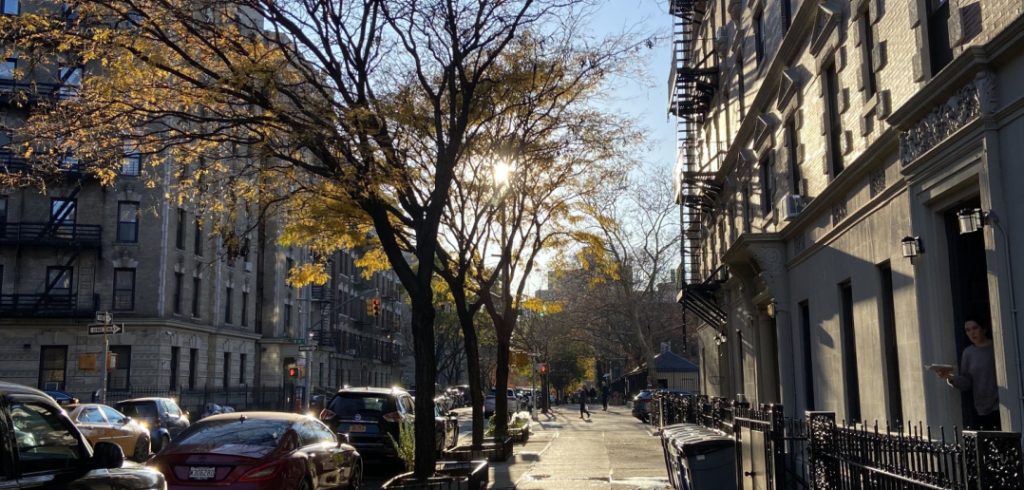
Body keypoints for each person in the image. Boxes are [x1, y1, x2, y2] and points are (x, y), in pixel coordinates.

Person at [935, 319, 1000, 430]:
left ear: (983, 329)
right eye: (968, 330)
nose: (972, 333)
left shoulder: (997, 347)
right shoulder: (968, 353)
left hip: (1002, 403)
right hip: (982, 407)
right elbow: (966, 382)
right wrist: (950, 377)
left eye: (975, 328)